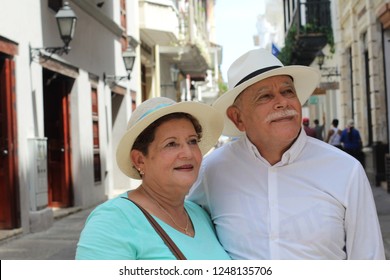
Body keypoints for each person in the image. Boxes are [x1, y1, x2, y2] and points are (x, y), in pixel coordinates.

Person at [188, 48, 385, 260]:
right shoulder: (212, 171)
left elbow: (369, 259)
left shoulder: (346, 170)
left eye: (288, 91)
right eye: (265, 96)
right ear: (238, 118)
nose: (283, 102)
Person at [76, 97, 230, 260]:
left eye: (192, 141)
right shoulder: (112, 222)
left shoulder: (200, 214)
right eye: (171, 144)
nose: (188, 153)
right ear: (139, 160)